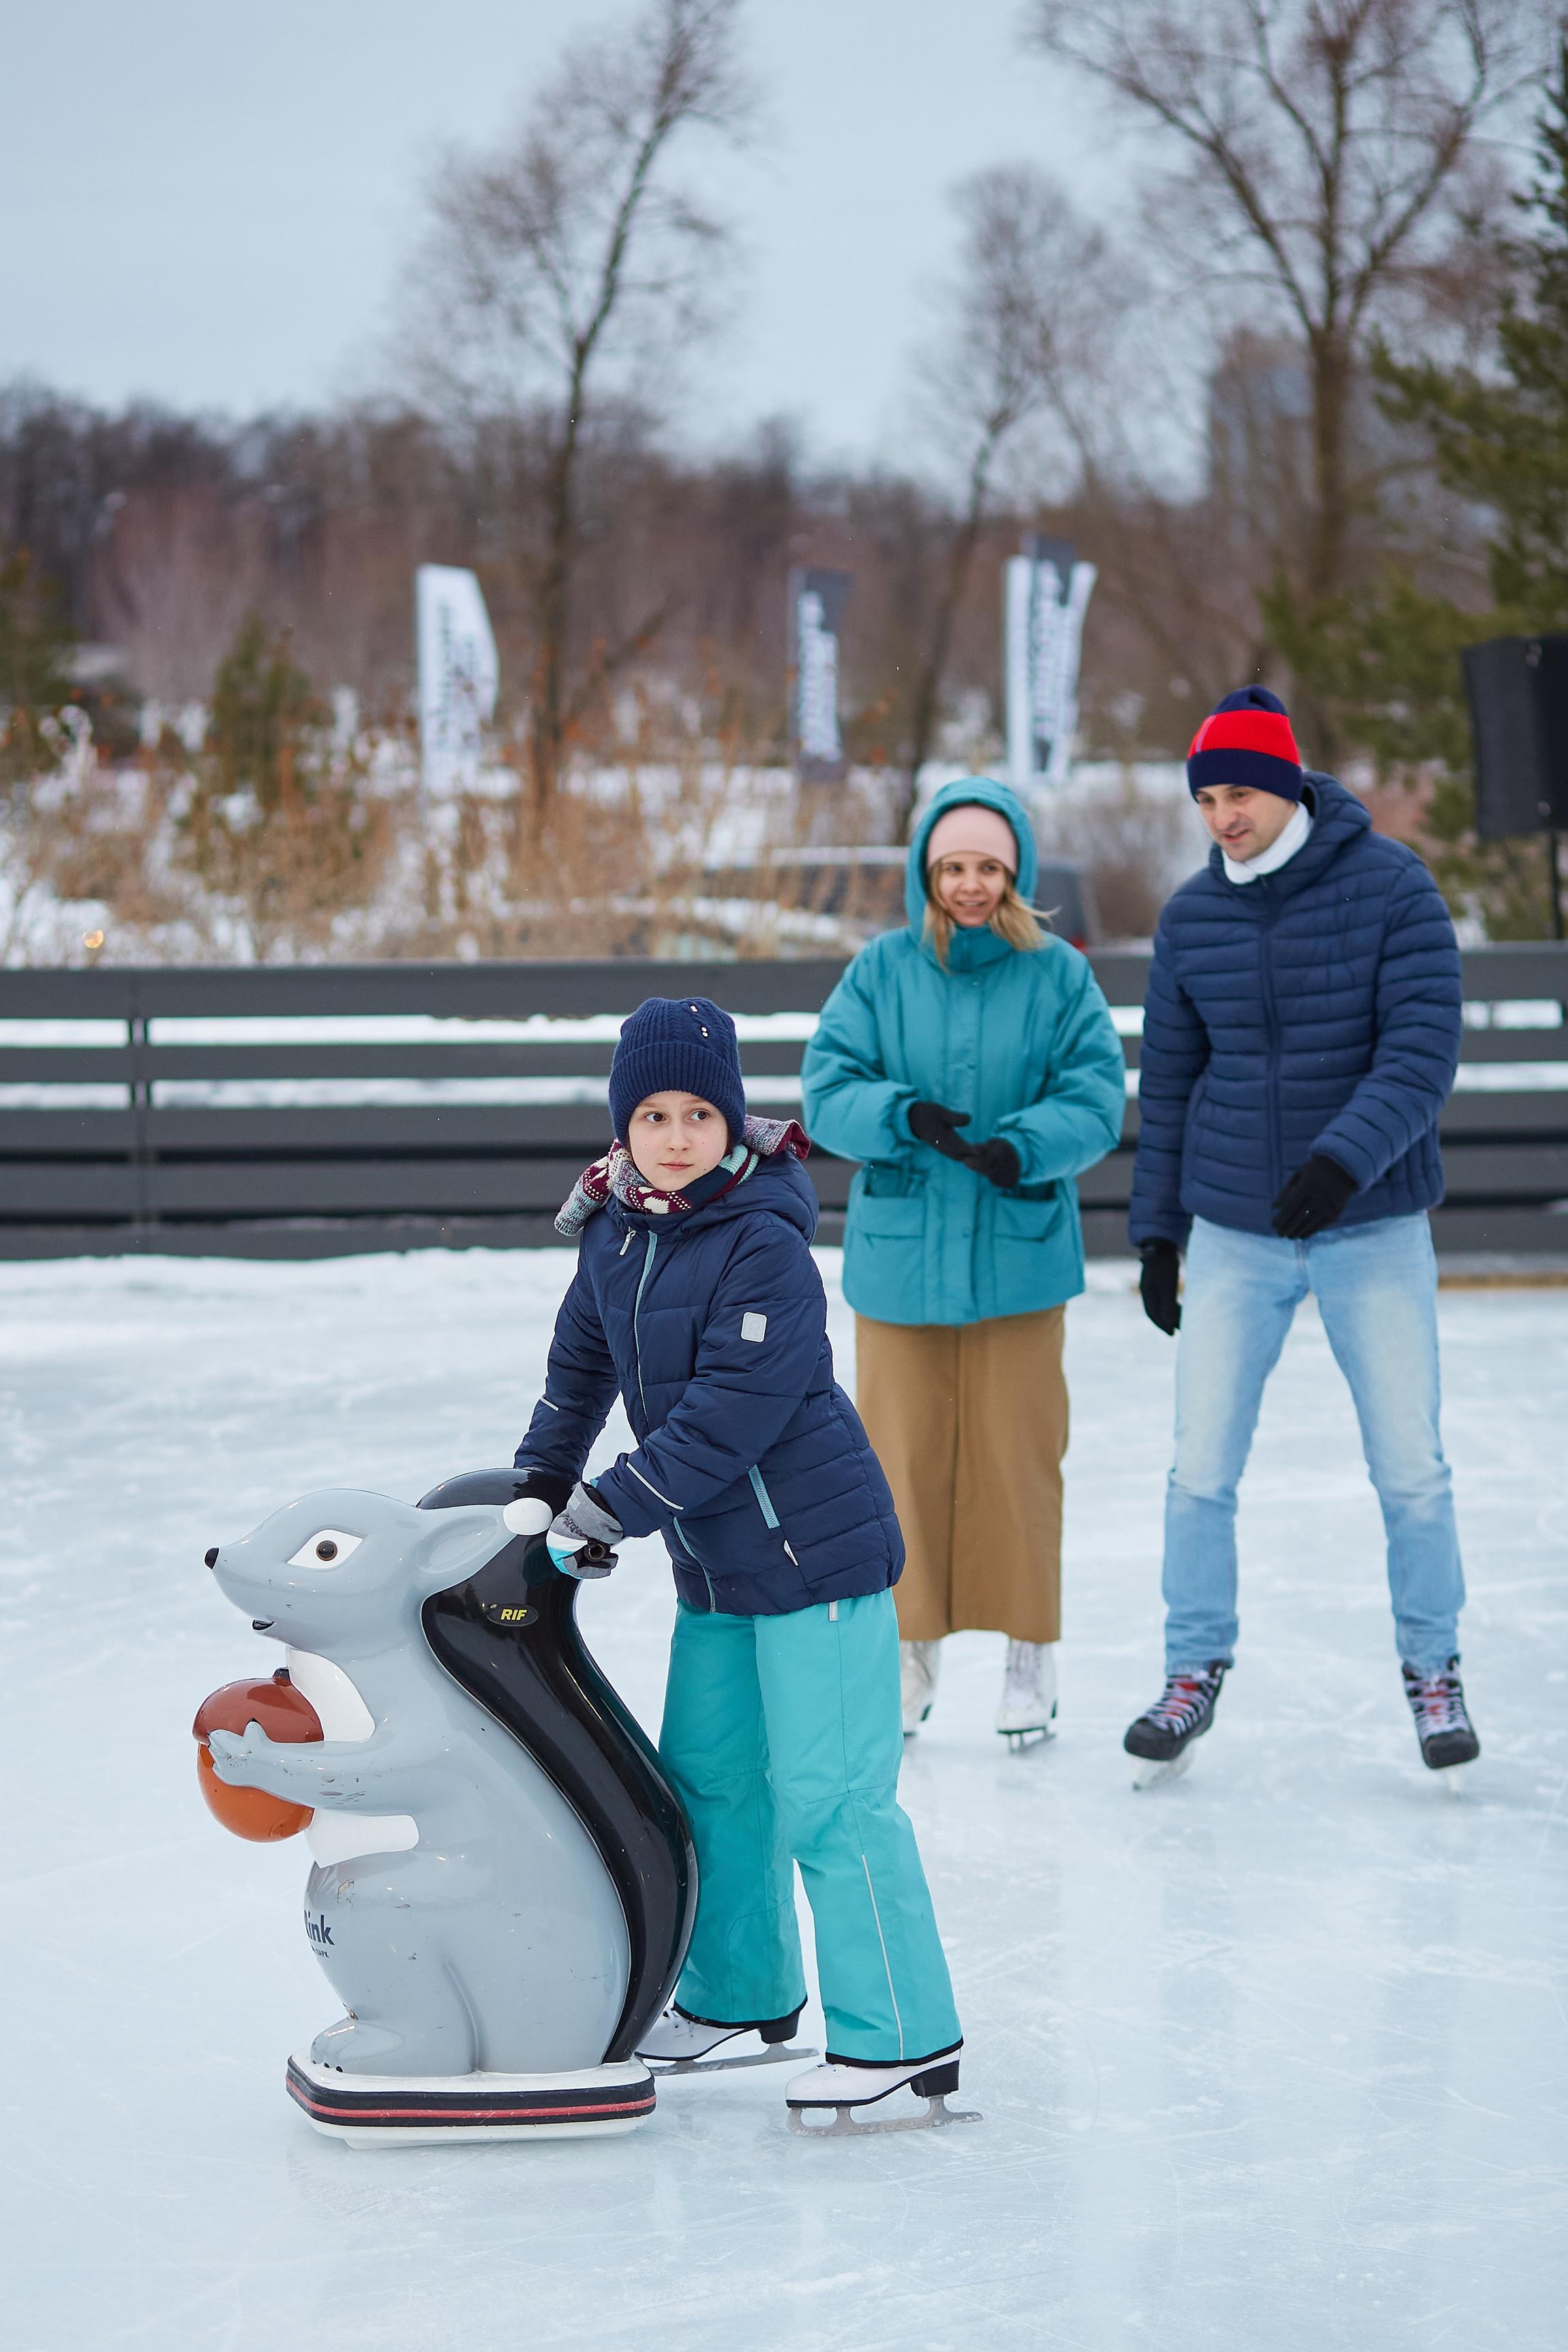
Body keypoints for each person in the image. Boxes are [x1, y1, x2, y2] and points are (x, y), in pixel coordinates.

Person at [510, 995, 966, 2130]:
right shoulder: (619, 1230)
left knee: (833, 1800)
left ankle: (903, 2032)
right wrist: (532, 1486)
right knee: (710, 1785)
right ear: (624, 1126)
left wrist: (611, 1505)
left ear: (734, 1123)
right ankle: (740, 1993)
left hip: (819, 1568)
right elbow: (579, 1372)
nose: (675, 1134)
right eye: (653, 1113)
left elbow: (731, 1417)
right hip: (718, 1573)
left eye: (699, 1113)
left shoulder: (763, 1240)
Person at [1125, 687, 1480, 1780]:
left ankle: (1434, 1670)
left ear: (1286, 787)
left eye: (1240, 793)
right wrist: (1158, 1234)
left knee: (1411, 1467)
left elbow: (1422, 1047)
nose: (1222, 815)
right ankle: (1193, 1672)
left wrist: (1341, 1160)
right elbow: (1173, 1082)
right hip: (1234, 1229)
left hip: (1370, 1222)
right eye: (1209, 798)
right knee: (1198, 1469)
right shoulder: (1191, 917)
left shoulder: (1392, 886)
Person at [800, 778, 1126, 1743]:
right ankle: (910, 1645)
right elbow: (829, 1087)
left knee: (1020, 1460)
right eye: (955, 867)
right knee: (896, 1463)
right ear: (927, 873)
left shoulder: (1059, 976)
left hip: (1018, 1259)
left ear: (1014, 871)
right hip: (902, 1263)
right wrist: (901, 1116)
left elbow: (1097, 1094)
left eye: (989, 867)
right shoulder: (882, 970)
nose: (972, 884)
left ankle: (1031, 1650)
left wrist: (1026, 1144)